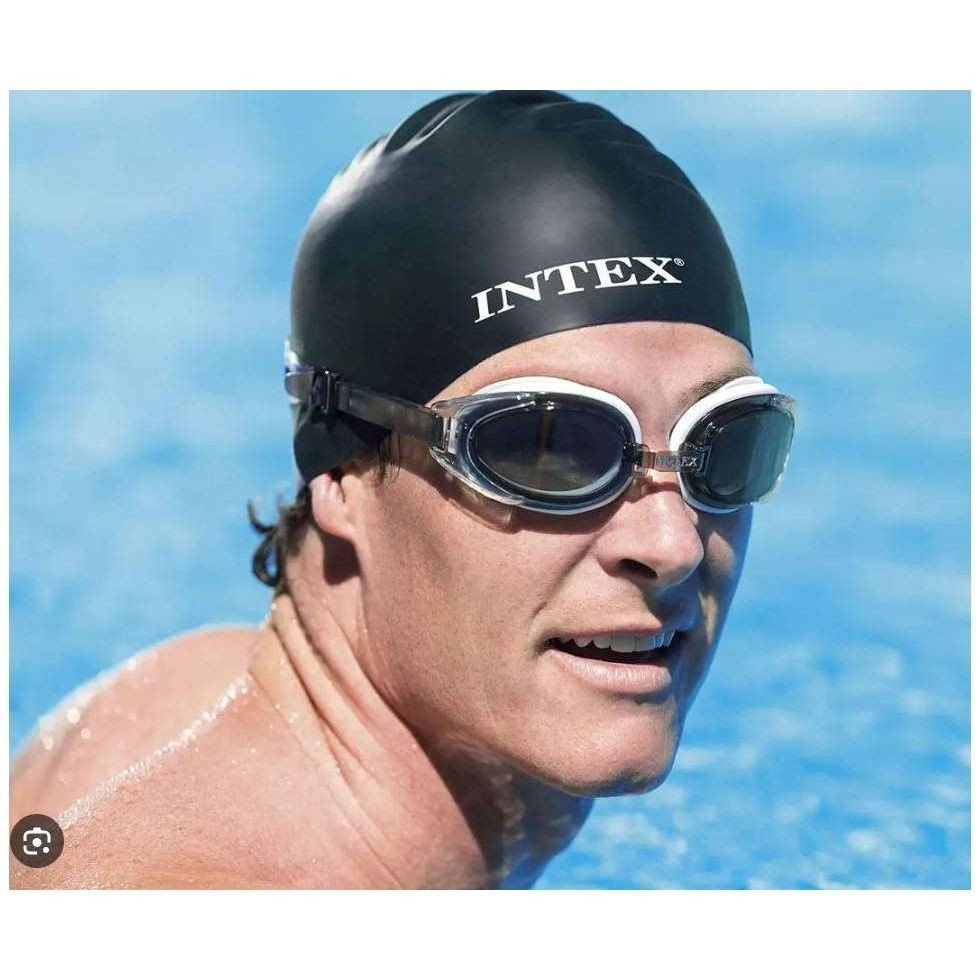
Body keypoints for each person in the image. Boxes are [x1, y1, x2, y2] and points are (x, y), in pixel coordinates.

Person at [10, 90, 795, 889]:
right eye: (550, 448)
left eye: (721, 441)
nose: (671, 543)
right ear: (344, 471)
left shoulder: (186, 694)